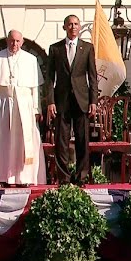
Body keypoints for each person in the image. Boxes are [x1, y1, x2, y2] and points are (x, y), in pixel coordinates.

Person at [0, 29, 46, 186]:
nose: (14, 44)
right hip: (3, 106)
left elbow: (35, 88)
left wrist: (37, 109)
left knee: (23, 143)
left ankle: (24, 178)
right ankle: (3, 177)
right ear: (7, 41)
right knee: (4, 143)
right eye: (11, 41)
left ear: (22, 42)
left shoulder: (30, 60)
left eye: (17, 41)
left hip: (25, 106)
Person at [46, 14, 98, 186]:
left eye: (76, 24)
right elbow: (49, 78)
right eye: (70, 24)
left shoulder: (88, 48)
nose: (73, 27)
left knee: (83, 142)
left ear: (80, 27)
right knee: (61, 143)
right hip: (62, 102)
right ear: (64, 27)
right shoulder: (55, 49)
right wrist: (50, 101)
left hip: (82, 101)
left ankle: (82, 177)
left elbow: (92, 77)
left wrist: (93, 101)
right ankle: (64, 179)